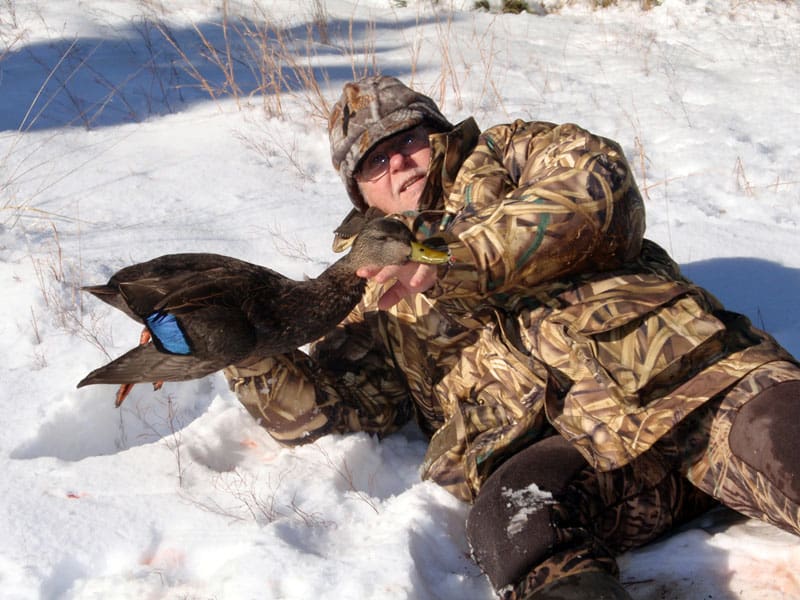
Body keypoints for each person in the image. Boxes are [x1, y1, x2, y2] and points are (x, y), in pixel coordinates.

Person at [224, 75, 800, 599]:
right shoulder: (369, 287)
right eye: (374, 162)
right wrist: (233, 341)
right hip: (576, 460)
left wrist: (452, 254)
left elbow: (600, 186)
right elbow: (331, 408)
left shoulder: (507, 154)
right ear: (360, 196)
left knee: (778, 439)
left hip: (700, 387)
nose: (398, 161)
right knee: (514, 518)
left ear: (438, 135)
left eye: (407, 138)